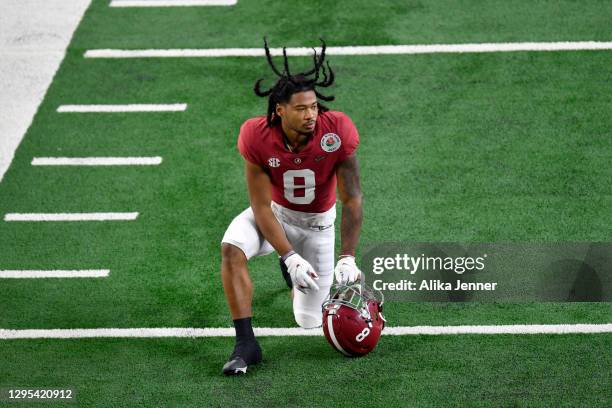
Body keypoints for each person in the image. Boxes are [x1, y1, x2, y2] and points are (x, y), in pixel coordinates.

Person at [220, 39, 363, 375]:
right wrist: (288, 254)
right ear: (280, 110)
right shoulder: (256, 135)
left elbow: (353, 199)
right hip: (275, 215)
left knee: (308, 321)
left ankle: (296, 274)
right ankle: (246, 343)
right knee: (231, 248)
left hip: (318, 226)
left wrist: (348, 256)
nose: (310, 114)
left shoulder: (336, 130)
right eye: (301, 109)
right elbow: (258, 205)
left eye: (313, 106)